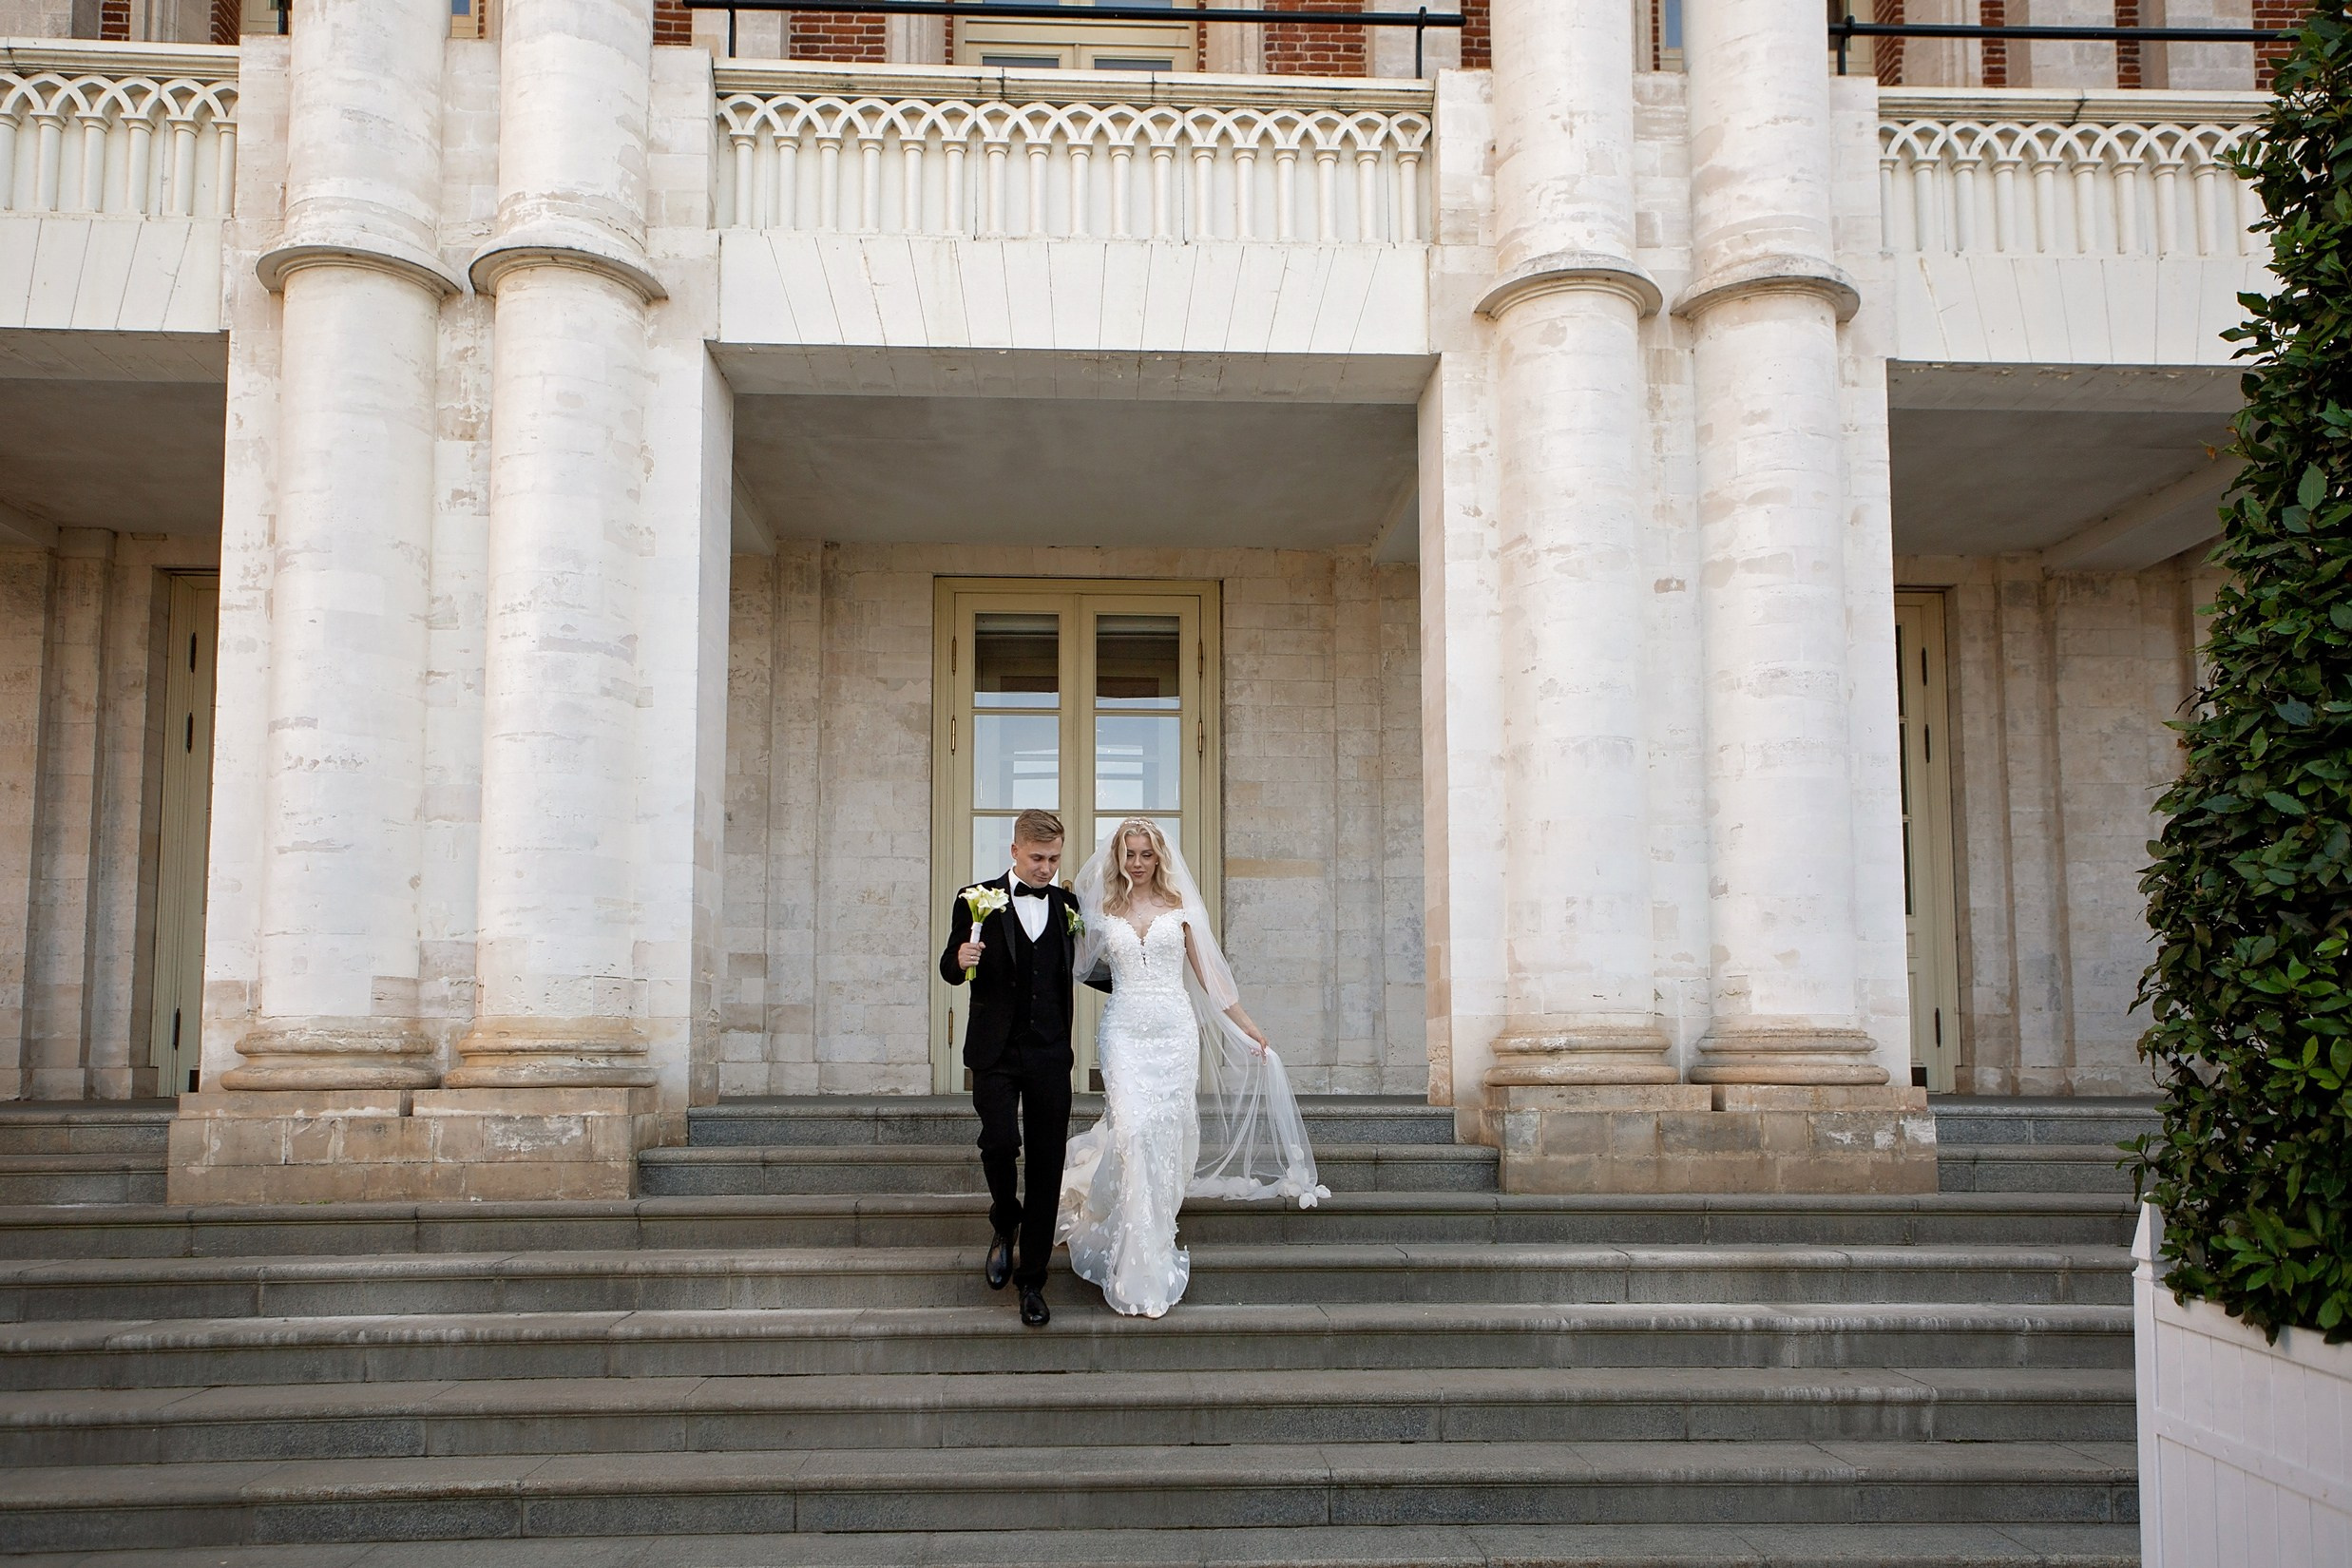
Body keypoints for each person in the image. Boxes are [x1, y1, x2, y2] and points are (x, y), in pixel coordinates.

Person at [1057, 817, 1328, 1319]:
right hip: (1122, 1034)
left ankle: (1152, 1240)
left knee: (1160, 1136)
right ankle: (1133, 1257)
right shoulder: (1099, 910)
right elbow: (1069, 970)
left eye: (1145, 855)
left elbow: (1212, 982)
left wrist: (1248, 1028)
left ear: (1159, 857)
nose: (1137, 864)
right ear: (1117, 857)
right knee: (1133, 1132)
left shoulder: (1181, 908)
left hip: (1174, 1035)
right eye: (1129, 854)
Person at [937, 808, 1095, 1329]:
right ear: (1014, 852)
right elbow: (948, 968)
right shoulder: (975, 897)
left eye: (1053, 859)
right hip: (995, 1052)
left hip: (1050, 1053)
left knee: (1048, 1165)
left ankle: (1033, 1281)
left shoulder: (1068, 904)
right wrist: (960, 958)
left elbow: (1087, 969)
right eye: (1037, 858)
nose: (1047, 868)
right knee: (1001, 1142)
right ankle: (1005, 1220)